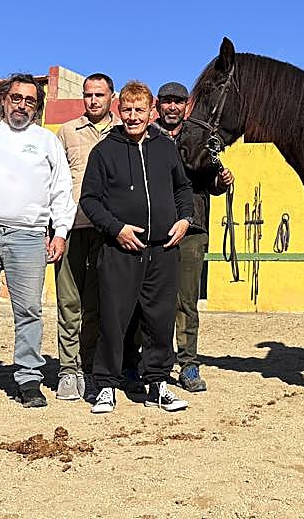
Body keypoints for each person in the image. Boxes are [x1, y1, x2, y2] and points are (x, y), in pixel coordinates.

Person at [0, 74, 74, 409]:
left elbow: (61, 189)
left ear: (37, 108)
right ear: (3, 100)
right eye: (16, 98)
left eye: (29, 101)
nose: (21, 105)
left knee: (29, 311)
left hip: (29, 236)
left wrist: (61, 231)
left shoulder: (47, 141)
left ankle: (28, 378)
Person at [80, 81, 195, 415]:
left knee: (160, 319)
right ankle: (106, 386)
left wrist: (185, 218)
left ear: (150, 110)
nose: (132, 116)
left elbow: (183, 187)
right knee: (113, 320)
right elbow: (90, 199)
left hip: (163, 249)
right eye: (127, 110)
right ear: (119, 110)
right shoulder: (105, 150)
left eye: (139, 110)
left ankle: (158, 384)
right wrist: (116, 229)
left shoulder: (165, 146)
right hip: (120, 249)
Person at [153, 80, 233, 393]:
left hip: (193, 227)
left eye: (178, 102)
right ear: (158, 105)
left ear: (186, 106)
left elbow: (210, 178)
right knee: (147, 300)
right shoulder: (147, 134)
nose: (172, 107)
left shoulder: (200, 135)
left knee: (186, 301)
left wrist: (221, 179)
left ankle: (187, 364)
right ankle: (142, 362)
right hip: (153, 228)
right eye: (167, 101)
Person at [54, 73, 119, 402]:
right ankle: (68, 368)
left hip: (108, 230)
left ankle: (91, 365)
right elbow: (54, 180)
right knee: (69, 301)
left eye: (100, 95)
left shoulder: (123, 132)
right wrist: (51, 228)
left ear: (112, 96)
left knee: (99, 302)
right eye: (88, 95)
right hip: (70, 227)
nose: (93, 100)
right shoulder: (67, 132)